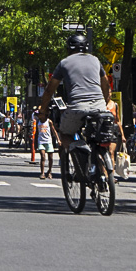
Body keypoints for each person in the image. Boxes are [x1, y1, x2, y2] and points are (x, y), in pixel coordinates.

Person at [37, 29, 116, 165]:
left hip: (77, 107)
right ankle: (103, 175)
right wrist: (105, 101)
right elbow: (105, 84)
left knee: (65, 134)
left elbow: (50, 90)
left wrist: (43, 111)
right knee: (100, 138)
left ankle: (79, 153)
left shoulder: (64, 63)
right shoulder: (96, 60)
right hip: (99, 106)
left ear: (68, 49)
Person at [35, 112, 55, 178]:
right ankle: (42, 173)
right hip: (41, 141)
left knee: (50, 158)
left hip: (48, 141)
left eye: (40, 114)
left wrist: (58, 140)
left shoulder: (49, 121)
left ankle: (49, 171)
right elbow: (37, 132)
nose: (39, 116)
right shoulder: (38, 122)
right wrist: (35, 143)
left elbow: (53, 130)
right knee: (43, 156)